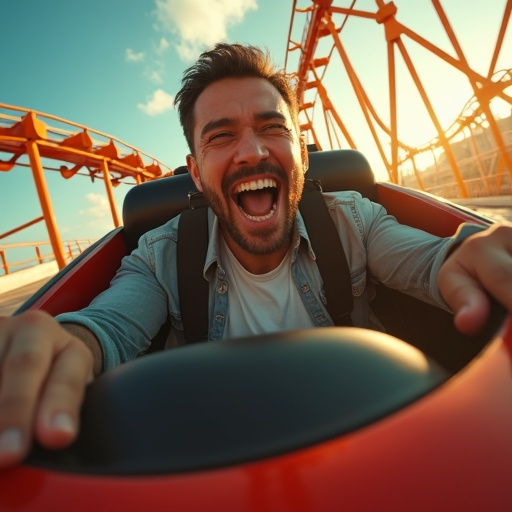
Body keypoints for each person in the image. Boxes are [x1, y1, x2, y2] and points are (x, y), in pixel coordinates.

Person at [0, 43, 511, 469]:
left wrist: (461, 256)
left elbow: (426, 260)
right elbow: (110, 325)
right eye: (221, 136)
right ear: (196, 173)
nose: (251, 152)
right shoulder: (160, 255)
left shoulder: (352, 220)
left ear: (303, 154)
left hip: (368, 453)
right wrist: (65, 341)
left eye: (272, 128)